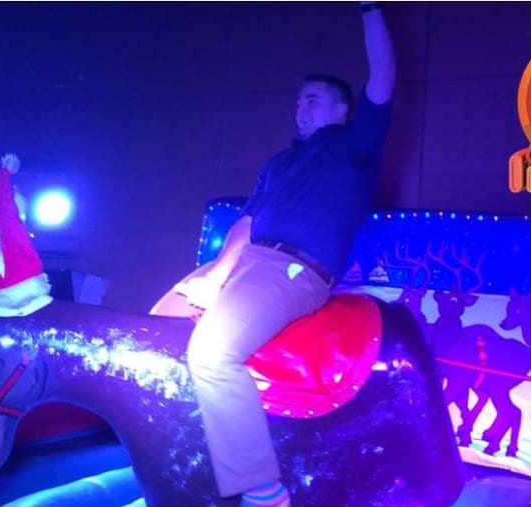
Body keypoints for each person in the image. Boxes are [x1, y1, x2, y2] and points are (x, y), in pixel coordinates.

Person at [151, 2, 395, 506]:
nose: (300, 107)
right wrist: (217, 274)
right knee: (154, 332)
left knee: (211, 352)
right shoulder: (279, 162)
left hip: (294, 270)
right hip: (245, 262)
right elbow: (246, 223)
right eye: (298, 100)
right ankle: (186, 452)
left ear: (340, 110)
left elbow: (384, 75)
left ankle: (264, 491)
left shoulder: (355, 146)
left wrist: (369, 8)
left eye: (312, 100)